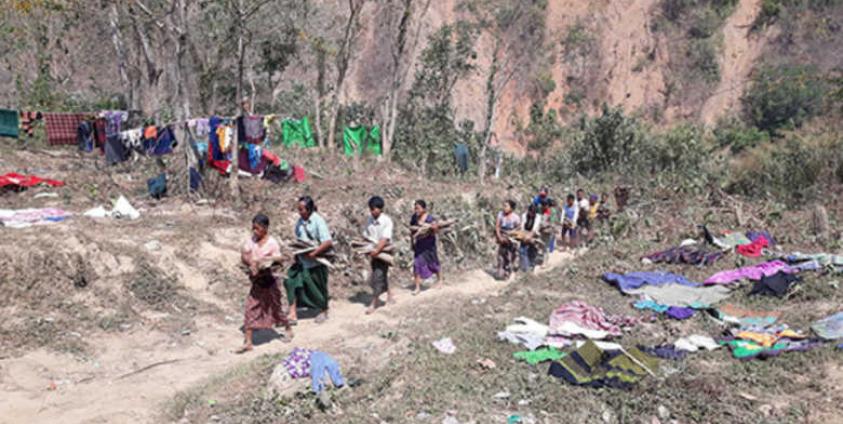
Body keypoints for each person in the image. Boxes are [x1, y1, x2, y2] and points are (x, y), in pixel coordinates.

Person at [237, 214, 292, 353]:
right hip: (257, 282)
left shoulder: (272, 243)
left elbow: (279, 259)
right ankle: (248, 342)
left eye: (258, 229)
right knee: (250, 309)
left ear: (265, 228)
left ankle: (288, 328)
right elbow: (244, 253)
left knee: (276, 308)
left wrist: (265, 261)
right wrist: (250, 262)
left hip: (270, 282)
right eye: (253, 228)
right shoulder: (252, 241)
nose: (255, 231)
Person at [285, 196, 334, 324]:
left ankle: (323, 309)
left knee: (317, 288)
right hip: (302, 260)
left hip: (316, 261)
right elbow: (298, 239)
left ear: (309, 209)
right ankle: (292, 313)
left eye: (302, 209)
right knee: (290, 280)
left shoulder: (318, 221)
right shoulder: (299, 223)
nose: (299, 212)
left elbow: (327, 241)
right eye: (298, 209)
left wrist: (314, 253)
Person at [364, 196, 394, 314]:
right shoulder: (369, 220)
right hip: (374, 251)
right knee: (381, 273)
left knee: (377, 276)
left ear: (381, 209)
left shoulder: (387, 221)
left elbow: (385, 239)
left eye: (374, 209)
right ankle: (390, 295)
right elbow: (366, 235)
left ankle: (374, 302)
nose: (372, 211)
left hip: (383, 251)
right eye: (371, 209)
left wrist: (377, 250)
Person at [410, 199, 443, 295]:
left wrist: (432, 227)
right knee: (416, 264)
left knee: (434, 262)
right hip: (419, 244)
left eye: (418, 208)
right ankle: (417, 287)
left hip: (429, 245)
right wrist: (412, 243)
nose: (416, 210)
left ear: (424, 209)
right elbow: (411, 231)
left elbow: (436, 230)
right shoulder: (414, 218)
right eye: (415, 208)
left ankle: (440, 280)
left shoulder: (430, 218)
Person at [495, 200, 521, 280]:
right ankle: (501, 269)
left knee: (510, 255)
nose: (504, 208)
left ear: (511, 208)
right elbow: (497, 226)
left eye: (506, 206)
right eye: (504, 206)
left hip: (511, 237)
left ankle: (508, 270)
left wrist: (511, 235)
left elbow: (518, 228)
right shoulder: (500, 214)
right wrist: (499, 237)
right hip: (502, 235)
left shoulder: (515, 217)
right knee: (501, 254)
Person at [519, 204, 543, 272]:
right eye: (530, 213)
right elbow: (522, 227)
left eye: (533, 213)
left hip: (534, 235)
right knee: (522, 251)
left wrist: (529, 237)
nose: (532, 215)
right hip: (524, 234)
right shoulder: (524, 215)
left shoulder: (538, 217)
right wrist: (524, 236)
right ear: (528, 211)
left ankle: (531, 265)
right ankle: (525, 268)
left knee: (532, 250)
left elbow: (535, 229)